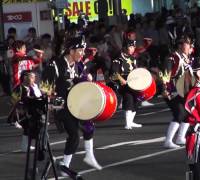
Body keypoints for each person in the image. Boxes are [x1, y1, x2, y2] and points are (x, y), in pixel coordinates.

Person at [52, 37, 102, 175]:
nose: (82, 53)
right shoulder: (57, 64)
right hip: (62, 105)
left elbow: (83, 79)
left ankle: (89, 155)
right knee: (74, 135)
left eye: (83, 50)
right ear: (71, 50)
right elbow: (47, 86)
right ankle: (64, 165)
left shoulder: (79, 64)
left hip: (76, 102)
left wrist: (87, 78)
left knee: (89, 127)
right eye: (80, 50)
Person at [162, 35, 194, 148]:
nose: (189, 45)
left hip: (184, 91)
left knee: (188, 113)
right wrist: (165, 88)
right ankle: (168, 140)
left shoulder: (186, 58)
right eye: (187, 43)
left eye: (189, 43)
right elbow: (166, 74)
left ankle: (180, 137)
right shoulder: (173, 58)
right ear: (180, 45)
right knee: (180, 113)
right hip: (172, 90)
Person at [111, 39, 142, 129]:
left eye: (133, 47)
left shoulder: (132, 58)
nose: (132, 49)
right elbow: (114, 72)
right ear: (124, 47)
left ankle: (131, 121)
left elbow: (135, 70)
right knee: (129, 100)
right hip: (123, 83)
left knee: (137, 100)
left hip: (133, 83)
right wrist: (122, 80)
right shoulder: (118, 59)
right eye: (130, 47)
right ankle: (127, 123)